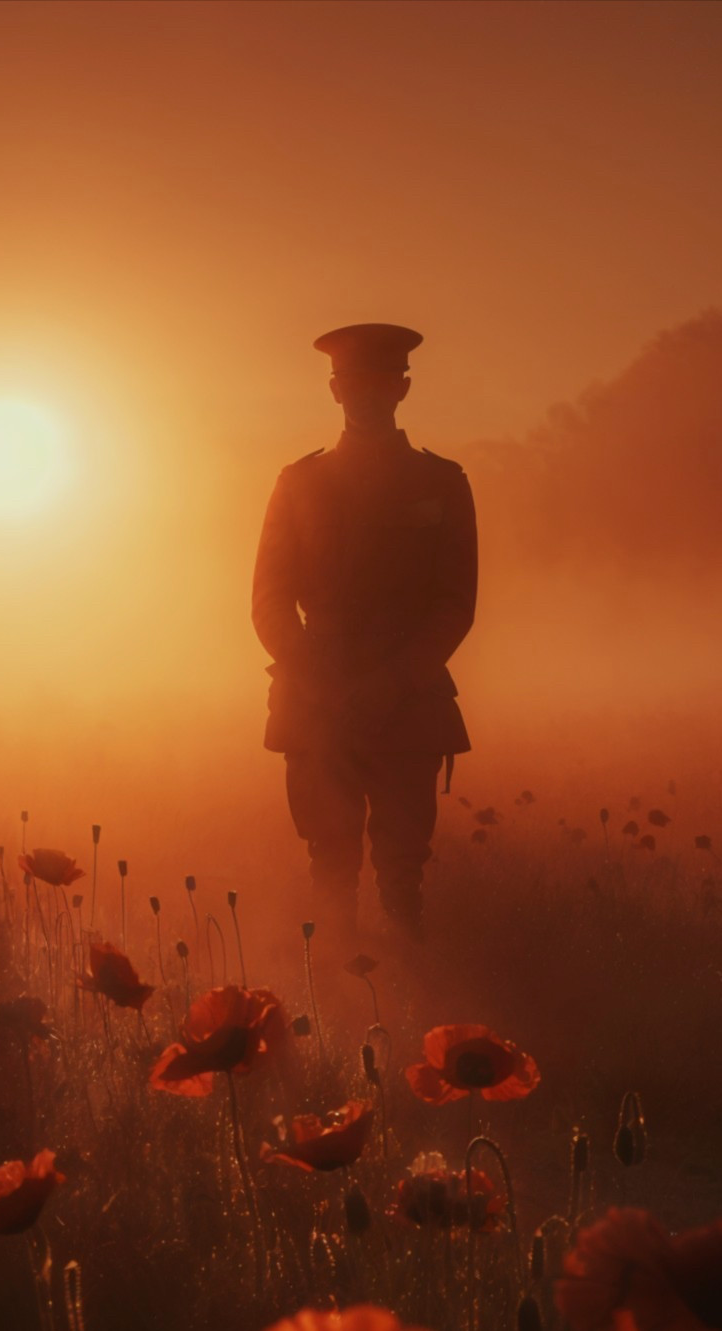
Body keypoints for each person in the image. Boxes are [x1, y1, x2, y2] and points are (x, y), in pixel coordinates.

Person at [252, 323, 477, 948]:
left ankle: (410, 981)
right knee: (331, 860)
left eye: (381, 384)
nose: (367, 397)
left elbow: (456, 604)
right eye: (354, 385)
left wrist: (394, 682)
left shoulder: (443, 482)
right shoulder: (298, 484)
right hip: (318, 695)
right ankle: (336, 985)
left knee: (403, 869)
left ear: (402, 389)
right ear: (334, 390)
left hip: (408, 698)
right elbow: (268, 601)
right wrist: (315, 677)